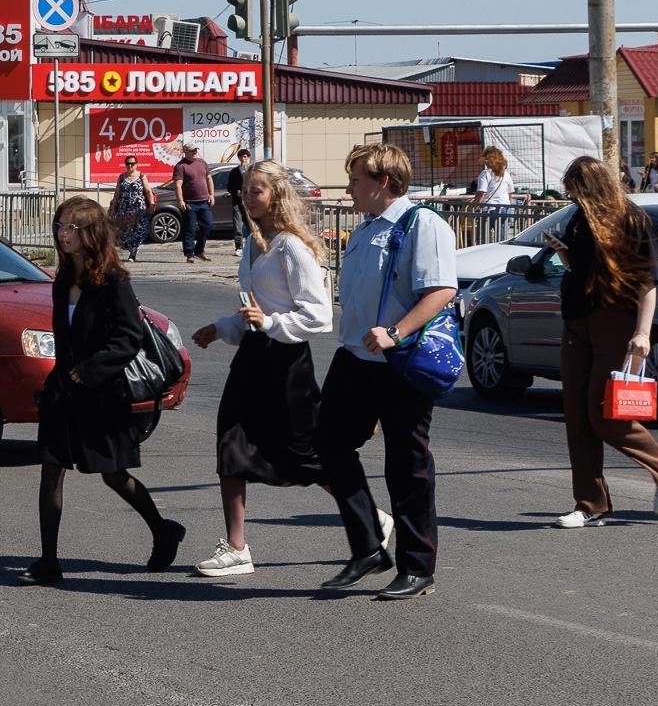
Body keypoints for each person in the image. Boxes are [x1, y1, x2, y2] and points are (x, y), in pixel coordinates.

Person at [315, 143, 458, 601]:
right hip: (356, 357)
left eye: (356, 179)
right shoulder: (364, 229)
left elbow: (441, 290)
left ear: (383, 182)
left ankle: (418, 568)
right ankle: (368, 549)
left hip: (399, 360)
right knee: (328, 445)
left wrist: (396, 331)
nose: (350, 187)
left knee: (406, 463)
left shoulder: (422, 224)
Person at [26, 197, 184, 584]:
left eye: (71, 228)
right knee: (51, 471)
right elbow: (64, 339)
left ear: (90, 234)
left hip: (103, 394)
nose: (63, 235)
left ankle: (163, 529)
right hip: (64, 393)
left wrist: (89, 371)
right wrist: (59, 380)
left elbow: (128, 337)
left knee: (113, 474)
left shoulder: (114, 281)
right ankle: (49, 562)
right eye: (60, 226)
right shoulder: (63, 281)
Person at [189, 161, 334, 576]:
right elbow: (254, 311)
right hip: (253, 356)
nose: (247, 197)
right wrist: (221, 328)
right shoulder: (253, 243)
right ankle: (236, 547)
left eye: (257, 191)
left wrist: (268, 324)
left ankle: (365, 515)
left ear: (276, 195)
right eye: (245, 191)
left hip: (287, 363)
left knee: (302, 453)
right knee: (231, 440)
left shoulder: (291, 246)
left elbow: (318, 315)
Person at [545, 156, 658, 527]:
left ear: (591, 187)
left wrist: (642, 333)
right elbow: (583, 268)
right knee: (576, 415)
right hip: (576, 322)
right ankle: (589, 504)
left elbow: (647, 282)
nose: (571, 197)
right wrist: (562, 252)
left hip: (615, 322)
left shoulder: (632, 219)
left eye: (575, 190)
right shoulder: (579, 219)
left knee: (604, 412)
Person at [170, 142, 214, 263]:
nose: (194, 152)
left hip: (204, 202)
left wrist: (211, 195)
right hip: (190, 203)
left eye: (195, 150)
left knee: (208, 225)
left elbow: (209, 178)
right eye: (192, 150)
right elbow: (178, 185)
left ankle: (199, 250)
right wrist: (181, 201)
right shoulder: (181, 166)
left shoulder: (202, 163)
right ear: (185, 152)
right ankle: (189, 253)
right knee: (190, 229)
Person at [110, 155, 151, 261]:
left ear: (136, 165)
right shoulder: (121, 177)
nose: (130, 166)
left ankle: (133, 252)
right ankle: (131, 250)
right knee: (126, 231)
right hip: (124, 208)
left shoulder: (141, 176)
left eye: (132, 163)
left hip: (139, 208)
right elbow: (117, 193)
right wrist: (113, 208)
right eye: (128, 163)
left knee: (139, 230)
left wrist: (151, 204)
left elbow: (148, 191)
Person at [225, 148, 254, 255]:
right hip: (237, 202)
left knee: (252, 224)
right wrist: (235, 191)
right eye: (241, 157)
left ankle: (252, 245)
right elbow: (229, 187)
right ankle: (239, 247)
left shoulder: (253, 171)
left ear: (248, 157)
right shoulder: (234, 172)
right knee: (237, 225)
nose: (243, 159)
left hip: (251, 202)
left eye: (245, 157)